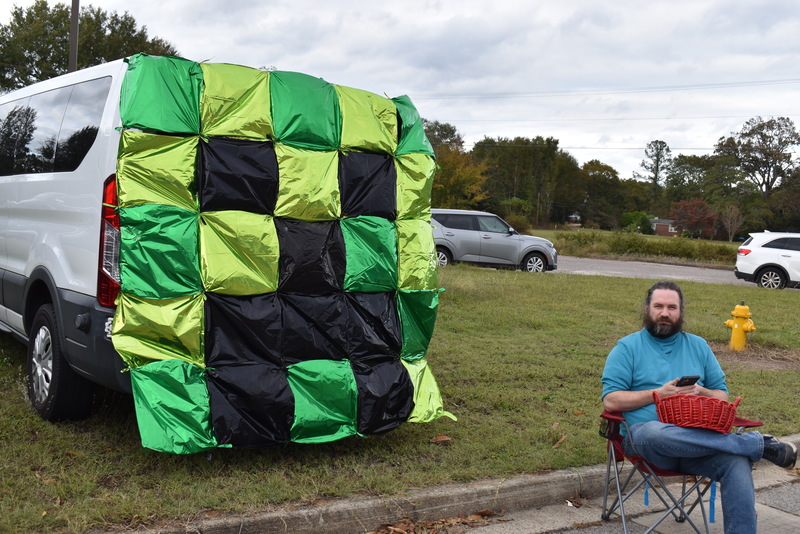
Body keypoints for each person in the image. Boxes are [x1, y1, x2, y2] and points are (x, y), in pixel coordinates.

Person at [601, 280, 796, 534]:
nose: (665, 313)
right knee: (651, 430)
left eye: (672, 307)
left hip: (701, 446)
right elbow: (611, 400)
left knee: (736, 462)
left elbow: (721, 395)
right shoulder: (627, 347)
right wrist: (657, 394)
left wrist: (702, 391)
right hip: (650, 445)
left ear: (681, 311)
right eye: (658, 306)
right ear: (647, 308)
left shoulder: (698, 346)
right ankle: (757, 445)